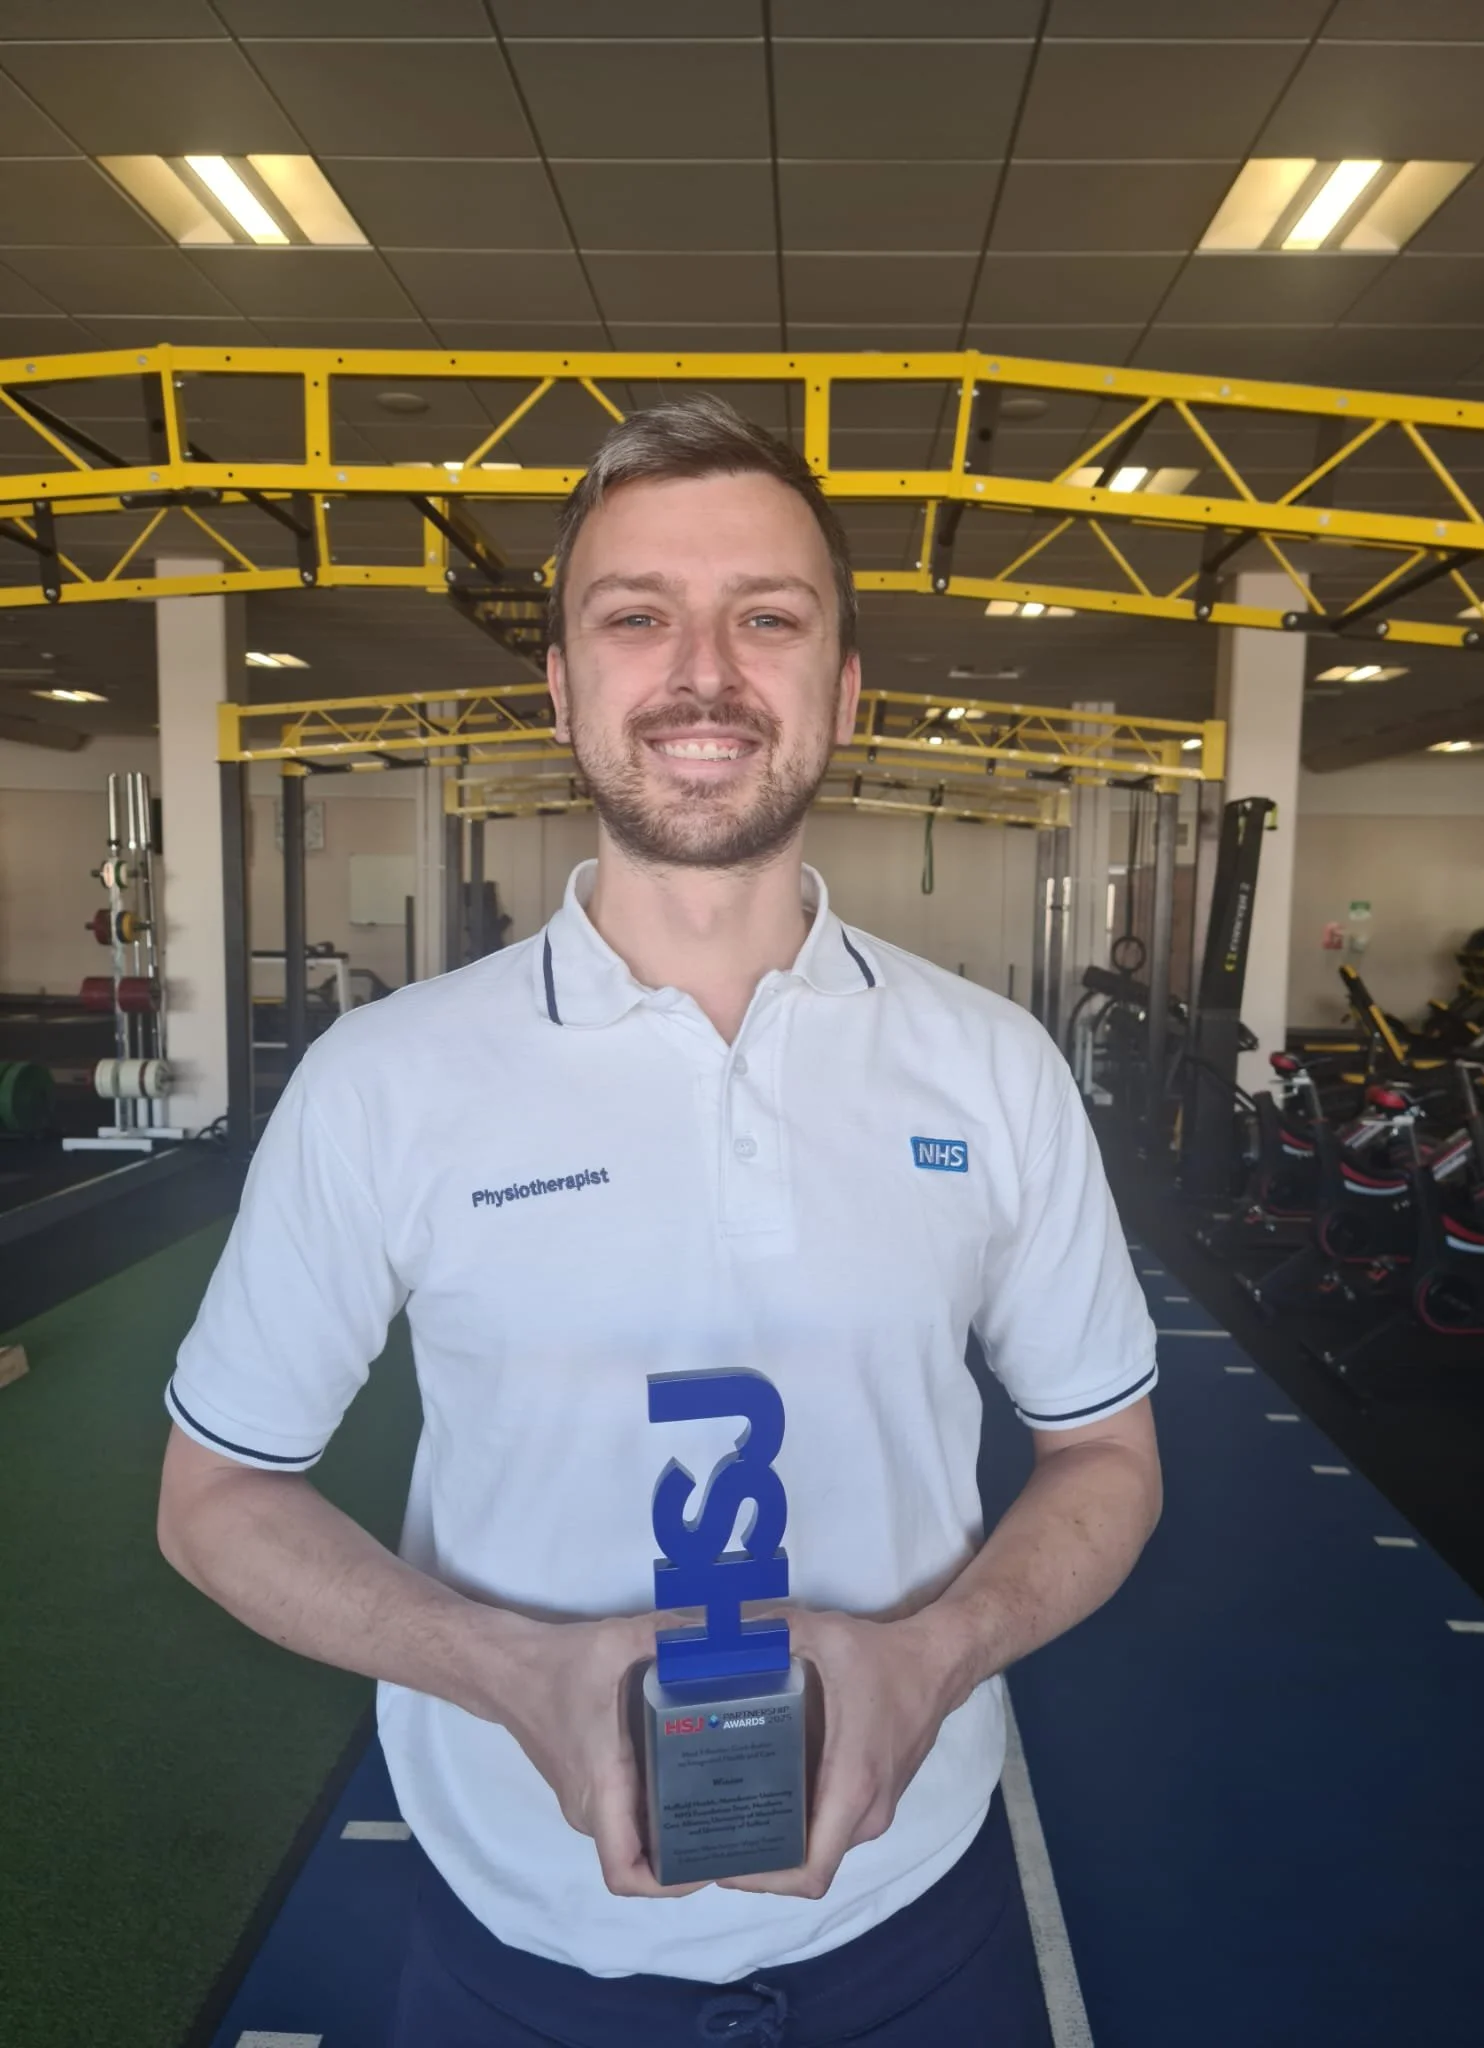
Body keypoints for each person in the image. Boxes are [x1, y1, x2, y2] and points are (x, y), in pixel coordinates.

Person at [157, 393, 1162, 2047]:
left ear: (843, 687)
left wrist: (939, 1655)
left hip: (918, 1923)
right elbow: (215, 1495)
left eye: (767, 617)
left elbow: (1106, 1455)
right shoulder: (386, 1079)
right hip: (519, 1953)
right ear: (563, 686)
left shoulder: (993, 1068)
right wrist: (505, 1670)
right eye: (638, 617)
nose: (705, 672)